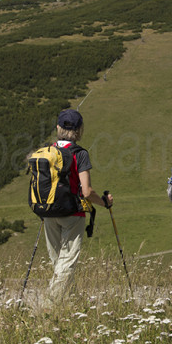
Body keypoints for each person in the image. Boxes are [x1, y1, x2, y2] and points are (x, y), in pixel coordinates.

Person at [43, 109, 113, 300]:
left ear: (58, 127)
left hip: (48, 211)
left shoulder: (47, 151)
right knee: (67, 261)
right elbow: (87, 192)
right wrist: (105, 203)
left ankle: (70, 299)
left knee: (58, 260)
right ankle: (52, 303)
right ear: (79, 130)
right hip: (72, 213)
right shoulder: (79, 154)